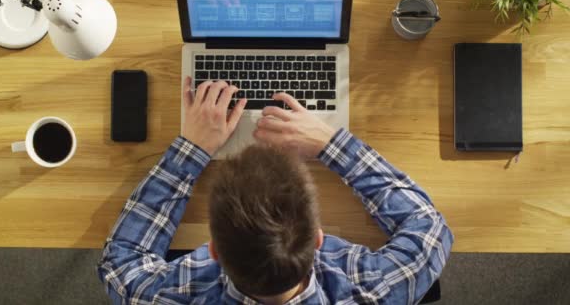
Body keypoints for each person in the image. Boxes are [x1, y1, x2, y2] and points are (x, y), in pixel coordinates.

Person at [97, 78, 454, 304]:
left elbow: (121, 264)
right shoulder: (371, 291)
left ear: (214, 251)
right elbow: (430, 230)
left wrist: (192, 148)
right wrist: (330, 143)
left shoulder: (172, 296)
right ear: (317, 239)